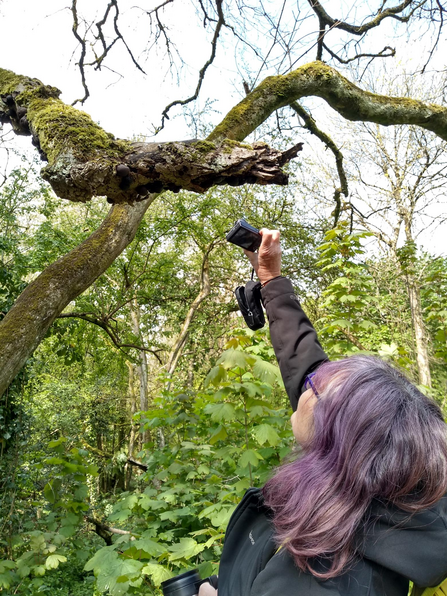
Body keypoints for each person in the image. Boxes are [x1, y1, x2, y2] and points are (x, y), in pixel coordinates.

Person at [199, 229, 447, 596]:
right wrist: (271, 281)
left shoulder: (325, 579)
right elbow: (307, 366)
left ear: (335, 432)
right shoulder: (384, 496)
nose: (308, 383)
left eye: (317, 388)